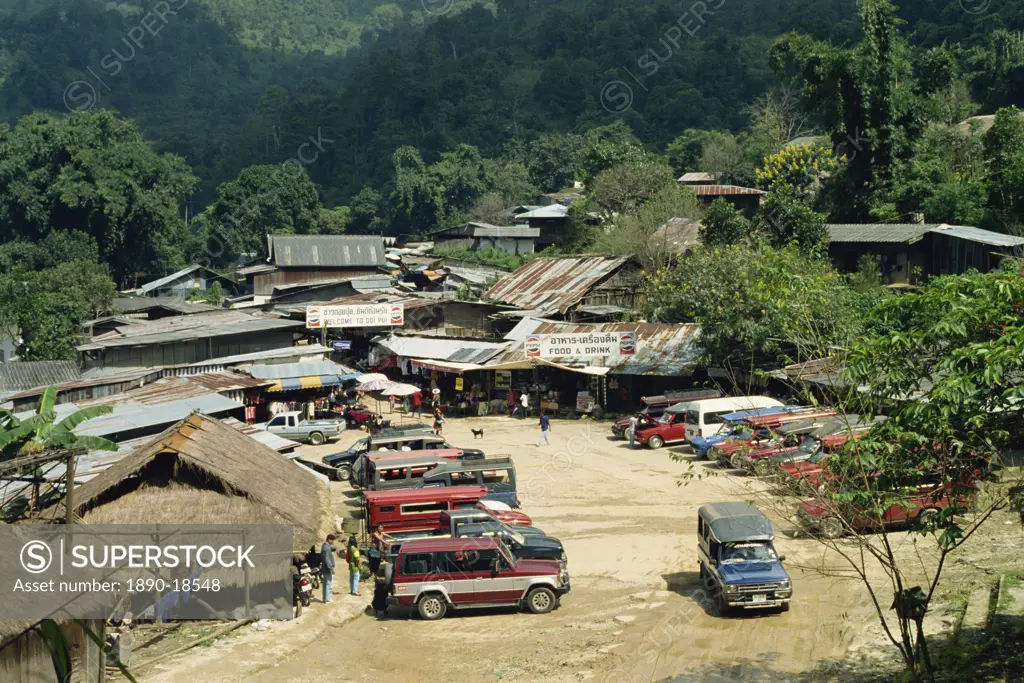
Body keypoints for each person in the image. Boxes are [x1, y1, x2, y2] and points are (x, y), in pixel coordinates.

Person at [320, 534, 336, 603]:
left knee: (325, 583)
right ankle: (328, 598)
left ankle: (325, 598)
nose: (333, 542)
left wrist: (334, 548)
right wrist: (331, 568)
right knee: (328, 583)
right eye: (332, 540)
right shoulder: (326, 548)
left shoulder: (324, 546)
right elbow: (327, 559)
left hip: (324, 567)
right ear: (329, 540)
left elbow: (330, 548)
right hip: (327, 568)